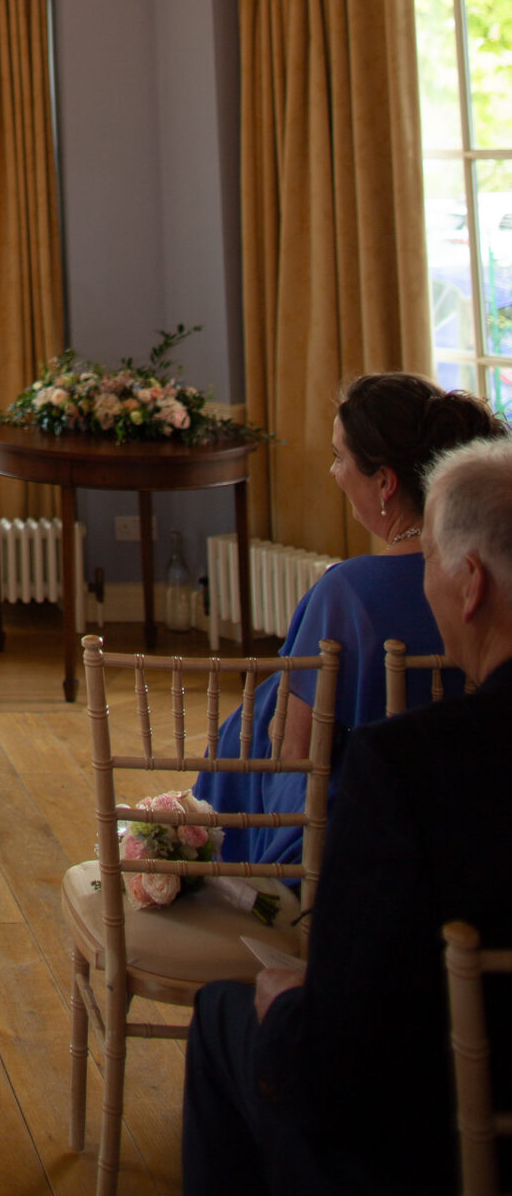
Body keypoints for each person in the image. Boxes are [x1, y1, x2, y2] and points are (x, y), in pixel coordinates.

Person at [182, 433, 512, 1195]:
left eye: (426, 559)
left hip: (428, 1146)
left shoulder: (406, 769)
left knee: (229, 1020)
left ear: (469, 587)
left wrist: (289, 1004)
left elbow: (340, 1063)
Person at [191, 371, 503, 859]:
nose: (333, 473)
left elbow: (292, 755)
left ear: (385, 482)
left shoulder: (348, 591)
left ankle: (218, 862)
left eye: (339, 457)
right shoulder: (495, 582)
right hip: (480, 823)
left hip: (349, 843)